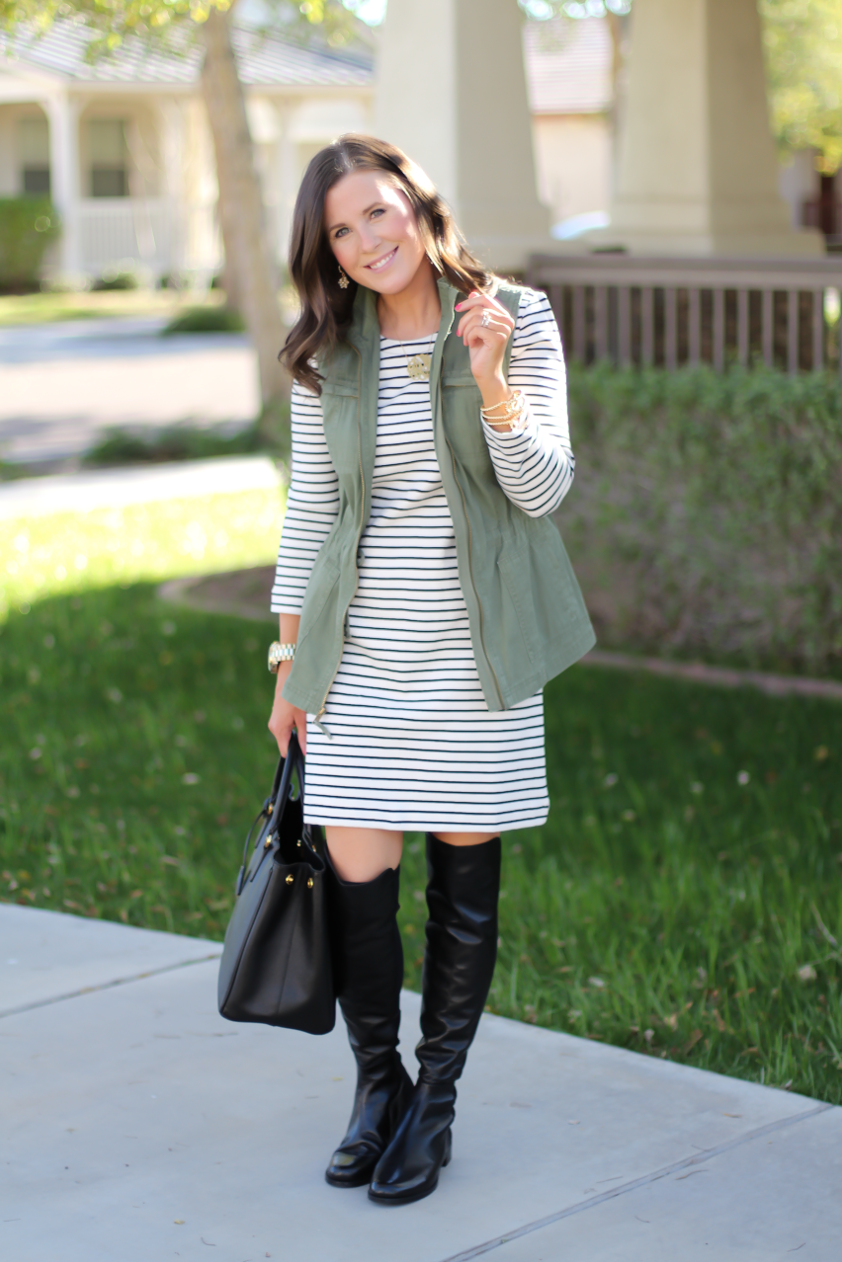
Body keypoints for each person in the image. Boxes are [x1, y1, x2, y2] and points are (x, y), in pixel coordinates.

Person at [268, 134, 594, 1206]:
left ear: (419, 204)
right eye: (341, 229)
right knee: (357, 882)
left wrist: (491, 377)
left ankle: (436, 1102)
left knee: (463, 882)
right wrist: (286, 665)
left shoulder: (514, 315)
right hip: (358, 656)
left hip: (476, 654)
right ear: (326, 251)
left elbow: (542, 490)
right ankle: (377, 1087)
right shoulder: (329, 347)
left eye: (379, 211)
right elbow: (310, 509)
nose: (368, 240)